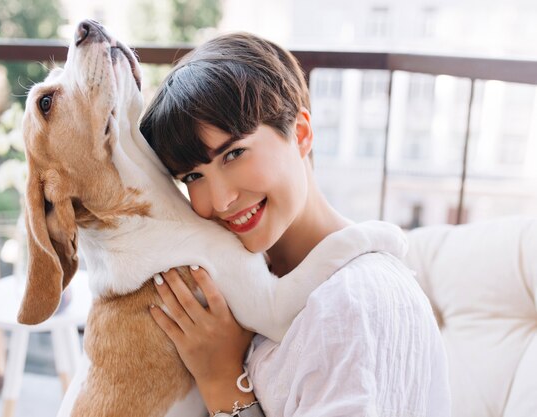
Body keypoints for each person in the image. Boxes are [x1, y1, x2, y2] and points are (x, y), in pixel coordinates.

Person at [139, 33, 450, 417]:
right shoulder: (248, 282)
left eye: (234, 153)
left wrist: (221, 378)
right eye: (192, 177)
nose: (219, 201)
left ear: (300, 133)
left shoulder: (351, 304)